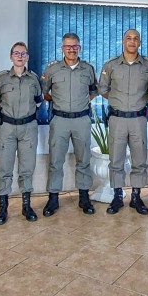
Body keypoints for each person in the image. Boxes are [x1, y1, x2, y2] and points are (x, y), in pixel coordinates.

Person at [41, 32, 98, 216]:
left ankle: (84, 197)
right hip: (60, 120)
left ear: (79, 48)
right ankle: (53, 198)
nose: (71, 49)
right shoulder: (52, 69)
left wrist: (80, 104)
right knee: (56, 161)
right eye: (68, 46)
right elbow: (44, 93)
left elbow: (93, 91)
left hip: (82, 119)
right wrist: (59, 102)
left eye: (75, 46)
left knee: (83, 160)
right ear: (62, 48)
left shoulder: (88, 69)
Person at [98, 29, 148, 215]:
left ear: (140, 42)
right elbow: (103, 89)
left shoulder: (147, 65)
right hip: (117, 119)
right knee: (116, 159)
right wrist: (119, 103)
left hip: (138, 119)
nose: (132, 41)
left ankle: (136, 197)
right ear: (123, 41)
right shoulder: (111, 65)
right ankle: (117, 196)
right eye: (128, 38)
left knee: (140, 160)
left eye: (136, 38)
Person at [0, 42, 43, 224]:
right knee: (5, 168)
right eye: (16, 53)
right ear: (11, 56)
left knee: (27, 168)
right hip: (6, 129)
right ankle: (3, 208)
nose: (20, 56)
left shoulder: (34, 79)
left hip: (28, 128)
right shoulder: (2, 79)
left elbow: (39, 101)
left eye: (23, 53)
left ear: (27, 57)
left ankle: (26, 206)